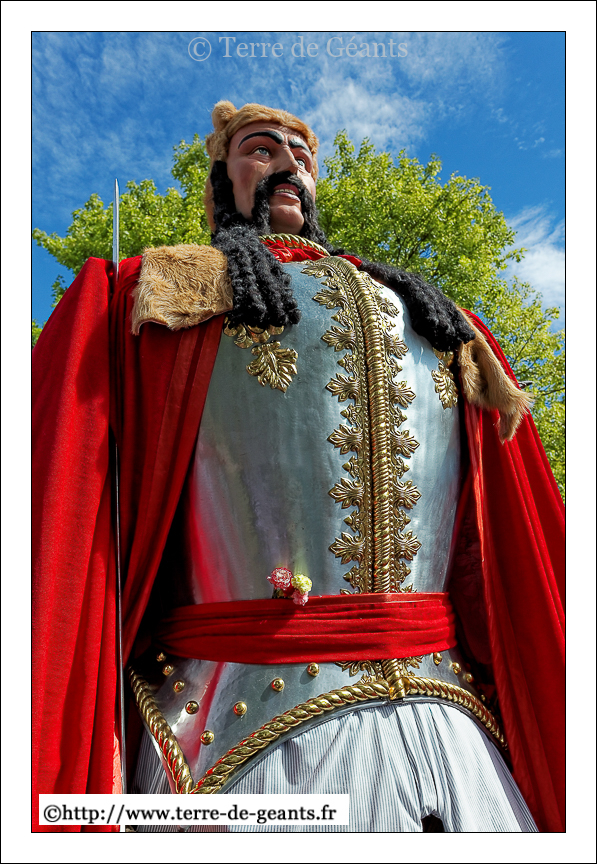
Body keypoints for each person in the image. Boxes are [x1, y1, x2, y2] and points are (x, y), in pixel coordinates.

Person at [32, 101, 564, 833]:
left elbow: (494, 536)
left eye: (303, 156)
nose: (289, 162)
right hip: (229, 717)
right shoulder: (149, 290)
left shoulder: (431, 312)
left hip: (451, 720)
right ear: (221, 183)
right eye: (260, 148)